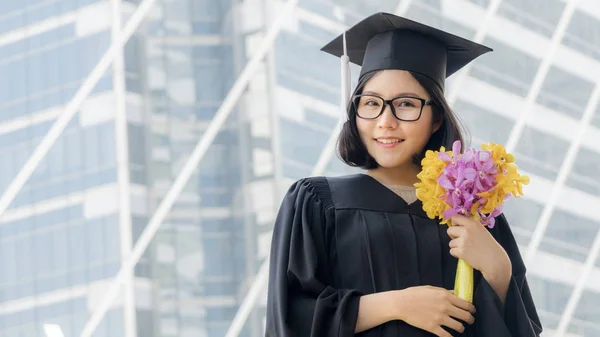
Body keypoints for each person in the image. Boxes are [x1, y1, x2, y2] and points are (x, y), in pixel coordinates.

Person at [265, 12, 542, 337]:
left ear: (436, 117)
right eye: (371, 103)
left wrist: (498, 269)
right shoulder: (316, 203)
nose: (385, 121)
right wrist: (398, 305)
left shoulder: (473, 212)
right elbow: (290, 316)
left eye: (406, 104)